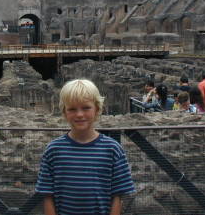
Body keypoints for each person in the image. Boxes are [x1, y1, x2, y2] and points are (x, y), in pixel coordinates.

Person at [35, 79, 135, 215]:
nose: (79, 114)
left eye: (86, 108)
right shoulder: (53, 150)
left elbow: (117, 196)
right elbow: (47, 195)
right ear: (64, 112)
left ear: (97, 109)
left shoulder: (112, 149)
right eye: (72, 109)